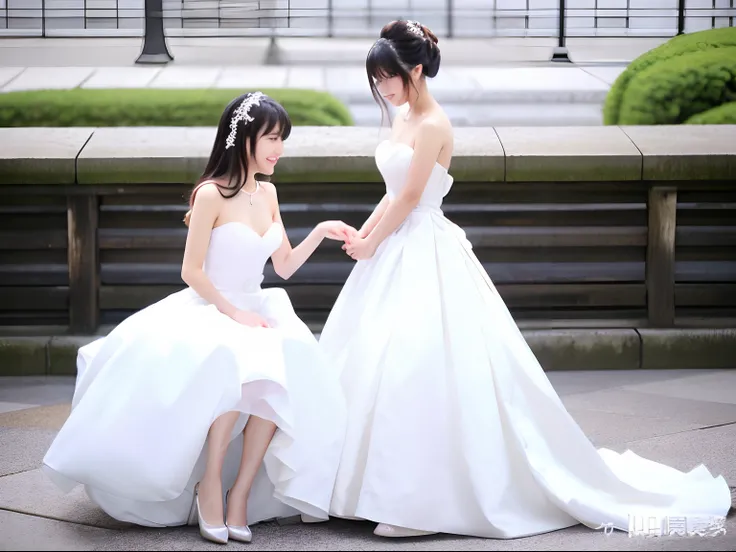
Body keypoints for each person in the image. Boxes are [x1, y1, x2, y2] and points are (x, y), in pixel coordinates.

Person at [318, 20, 732, 539]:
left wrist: (373, 242)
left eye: (387, 78)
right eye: (376, 79)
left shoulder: (433, 126)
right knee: (376, 362)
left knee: (418, 366)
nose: (381, 88)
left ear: (415, 70)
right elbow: (391, 191)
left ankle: (419, 502)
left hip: (425, 247)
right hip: (396, 246)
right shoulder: (403, 117)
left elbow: (410, 198)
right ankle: (362, 489)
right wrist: (366, 236)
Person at [42, 91, 355, 545]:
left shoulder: (268, 192)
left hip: (257, 306)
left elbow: (283, 266)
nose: (278, 150)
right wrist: (234, 314)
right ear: (243, 138)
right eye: (271, 138)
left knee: (280, 374)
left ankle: (240, 494)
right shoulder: (210, 194)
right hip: (213, 306)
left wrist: (322, 233)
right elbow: (190, 272)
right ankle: (209, 482)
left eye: (281, 139)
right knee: (233, 365)